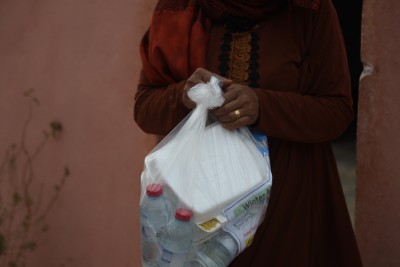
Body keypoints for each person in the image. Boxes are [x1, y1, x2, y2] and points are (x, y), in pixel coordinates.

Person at [134, 0, 363, 266]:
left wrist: (262, 106)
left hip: (287, 206)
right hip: (197, 222)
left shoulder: (308, 10)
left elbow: (337, 111)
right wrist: (185, 96)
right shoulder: (179, 9)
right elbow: (144, 108)